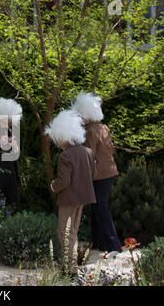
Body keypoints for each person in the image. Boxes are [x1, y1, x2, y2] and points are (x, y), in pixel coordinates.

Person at [45, 109, 96, 275]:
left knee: (64, 234)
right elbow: (92, 174)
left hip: (68, 199)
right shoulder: (88, 152)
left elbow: (64, 181)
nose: (57, 141)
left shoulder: (65, 155)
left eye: (58, 137)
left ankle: (70, 270)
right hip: (83, 198)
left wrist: (53, 186)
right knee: (72, 232)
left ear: (65, 135)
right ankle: (71, 267)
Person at [71, 92, 122, 254]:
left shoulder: (90, 131)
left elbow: (89, 154)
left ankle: (114, 246)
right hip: (110, 172)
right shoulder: (103, 127)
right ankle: (100, 243)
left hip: (100, 175)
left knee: (100, 208)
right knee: (97, 207)